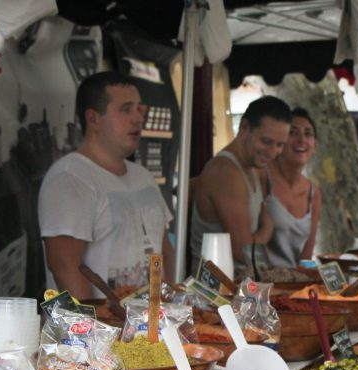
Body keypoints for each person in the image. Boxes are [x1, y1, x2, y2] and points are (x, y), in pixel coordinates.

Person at [38, 71, 174, 300]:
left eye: (140, 108)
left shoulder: (143, 176)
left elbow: (164, 248)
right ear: (93, 119)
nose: (138, 118)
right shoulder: (69, 177)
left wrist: (170, 307)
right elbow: (64, 267)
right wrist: (96, 329)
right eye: (125, 109)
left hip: (152, 324)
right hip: (102, 330)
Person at [190, 96, 292, 269]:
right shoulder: (227, 172)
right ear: (244, 127)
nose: (272, 152)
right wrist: (268, 228)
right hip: (216, 291)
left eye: (279, 145)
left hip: (239, 286)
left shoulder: (255, 167)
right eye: (266, 141)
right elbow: (243, 252)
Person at [265, 107, 321, 267]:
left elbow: (306, 259)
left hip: (290, 286)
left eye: (308, 133)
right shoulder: (260, 178)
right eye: (293, 132)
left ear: (314, 146)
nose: (301, 139)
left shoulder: (313, 193)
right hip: (255, 286)